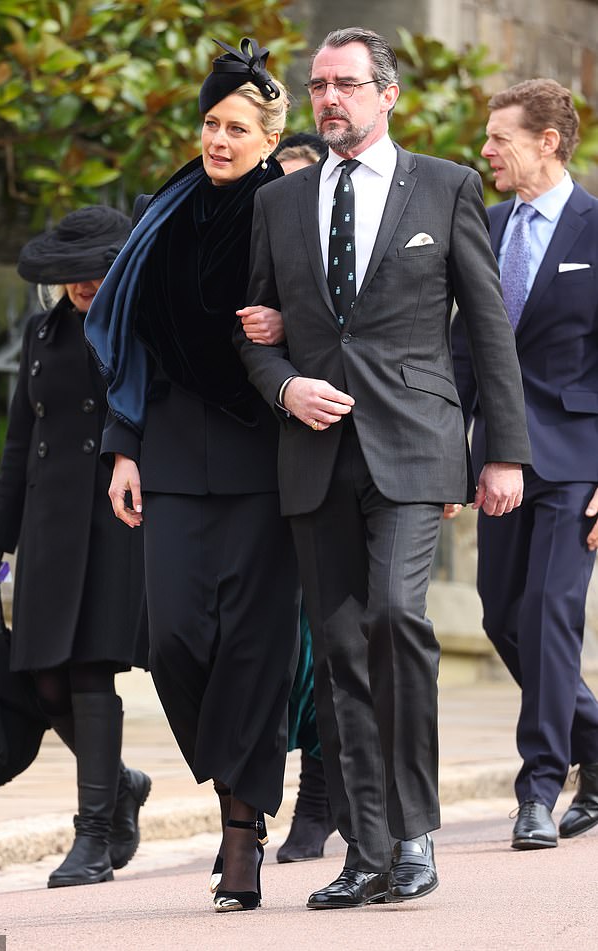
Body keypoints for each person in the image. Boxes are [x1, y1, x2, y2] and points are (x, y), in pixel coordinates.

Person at [235, 26, 531, 909]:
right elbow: (256, 333)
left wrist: (504, 449)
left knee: (398, 618)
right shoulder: (277, 205)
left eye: (347, 85)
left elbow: (486, 328)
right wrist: (286, 388)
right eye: (319, 85)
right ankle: (364, 850)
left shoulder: (446, 188)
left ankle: (413, 834)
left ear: (386, 94)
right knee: (337, 647)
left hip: (416, 447)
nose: (330, 98)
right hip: (315, 453)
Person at [84, 38, 300, 914]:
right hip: (169, 452)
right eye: (211, 123)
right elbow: (130, 342)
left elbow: (326, 316)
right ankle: (234, 769)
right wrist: (124, 448)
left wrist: (283, 319)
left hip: (261, 457)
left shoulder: (289, 210)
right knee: (174, 638)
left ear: (265, 134)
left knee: (253, 647)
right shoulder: (159, 214)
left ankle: (241, 833)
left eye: (236, 127)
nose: (218, 139)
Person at [0, 206, 150, 888]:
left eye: (94, 272)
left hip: (114, 519)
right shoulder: (39, 333)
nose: (82, 285)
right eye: (70, 274)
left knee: (88, 670)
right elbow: (18, 445)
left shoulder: (139, 329)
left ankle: (94, 837)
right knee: (44, 682)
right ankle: (122, 782)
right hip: (47, 526)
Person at [450, 78, 598, 850]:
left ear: (547, 140)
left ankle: (540, 786)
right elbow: (463, 351)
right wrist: (449, 458)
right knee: (502, 615)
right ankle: (596, 741)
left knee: (547, 613)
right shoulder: (487, 223)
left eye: (499, 136)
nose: (484, 151)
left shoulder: (597, 228)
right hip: (496, 460)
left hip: (578, 459)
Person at [269, 133, 337, 866]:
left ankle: (318, 801)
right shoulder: (256, 235)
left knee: (322, 642)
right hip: (256, 463)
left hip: (331, 453)